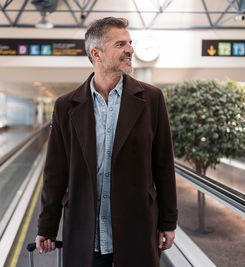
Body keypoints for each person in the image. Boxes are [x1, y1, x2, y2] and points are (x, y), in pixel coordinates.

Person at [36, 17, 177, 267]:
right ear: (96, 53)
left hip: (137, 230)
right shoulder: (66, 106)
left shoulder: (151, 100)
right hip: (85, 234)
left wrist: (168, 222)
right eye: (120, 44)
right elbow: (55, 173)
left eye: (130, 43)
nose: (130, 50)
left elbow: (163, 166)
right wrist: (47, 226)